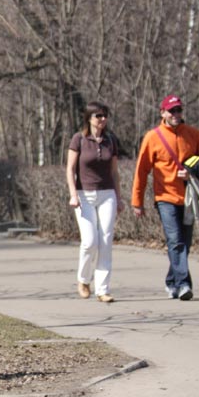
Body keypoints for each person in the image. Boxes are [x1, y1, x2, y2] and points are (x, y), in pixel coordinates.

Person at [132, 94, 199, 300]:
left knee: (184, 243)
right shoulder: (152, 137)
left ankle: (172, 282)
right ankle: (184, 284)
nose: (176, 114)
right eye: (171, 111)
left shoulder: (193, 134)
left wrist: (192, 171)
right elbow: (142, 170)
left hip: (188, 198)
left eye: (179, 110)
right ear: (163, 113)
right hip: (165, 197)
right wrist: (137, 201)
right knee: (175, 241)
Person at [66, 101, 124, 303]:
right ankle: (83, 280)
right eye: (98, 115)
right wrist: (73, 194)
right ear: (89, 118)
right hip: (84, 195)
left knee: (106, 241)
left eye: (105, 115)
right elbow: (70, 169)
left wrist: (118, 197)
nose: (102, 119)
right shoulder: (79, 139)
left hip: (107, 194)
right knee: (90, 241)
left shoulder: (110, 141)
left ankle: (102, 289)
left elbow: (114, 172)